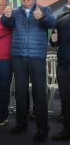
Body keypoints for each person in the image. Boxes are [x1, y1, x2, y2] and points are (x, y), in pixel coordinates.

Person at [2, 0, 56, 142]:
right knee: (20, 92)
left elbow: (52, 23)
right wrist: (6, 17)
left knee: (39, 93)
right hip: (18, 57)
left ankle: (43, 129)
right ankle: (21, 123)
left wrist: (42, 18)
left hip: (37, 57)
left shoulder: (44, 10)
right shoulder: (15, 12)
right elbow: (7, 25)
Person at [50, 9, 70, 141]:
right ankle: (67, 130)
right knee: (66, 100)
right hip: (64, 66)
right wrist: (53, 40)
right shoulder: (62, 19)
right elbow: (54, 43)